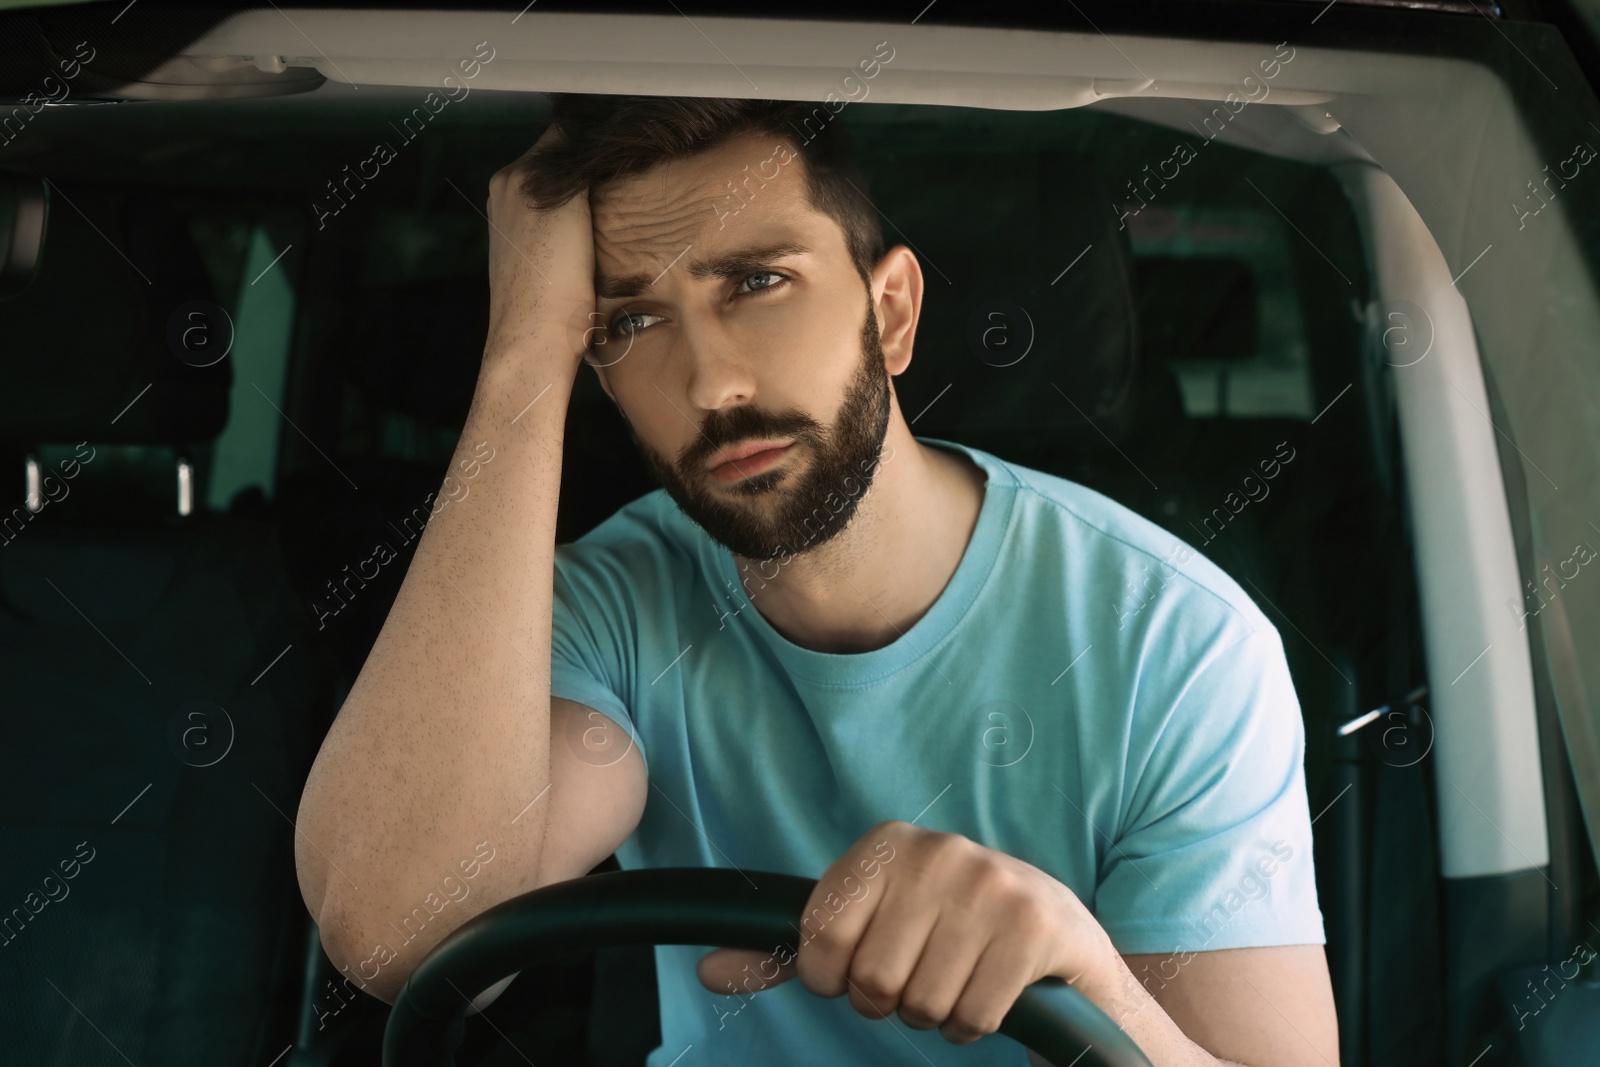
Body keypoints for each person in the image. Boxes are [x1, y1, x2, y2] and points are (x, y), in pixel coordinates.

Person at [294, 93, 1339, 1066]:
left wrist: (1083, 969)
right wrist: (525, 352)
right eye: (628, 323)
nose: (711, 382)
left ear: (889, 313)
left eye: (756, 283)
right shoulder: (612, 602)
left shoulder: (1174, 642)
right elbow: (399, 928)